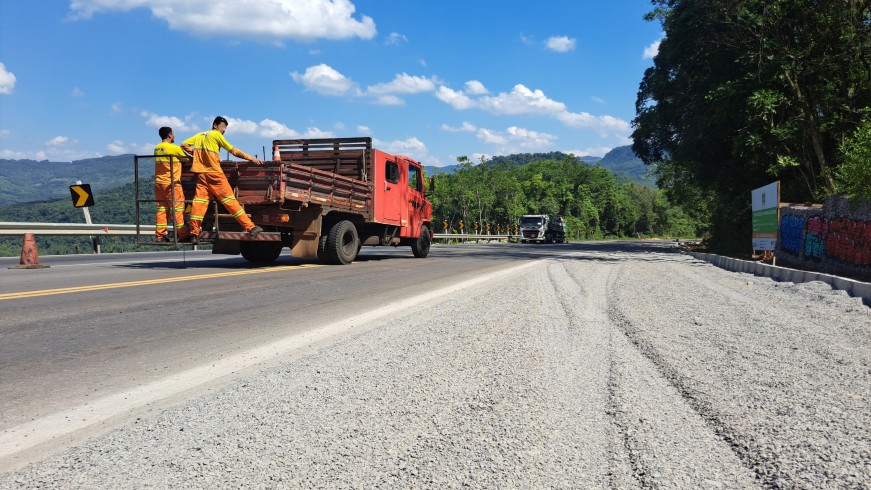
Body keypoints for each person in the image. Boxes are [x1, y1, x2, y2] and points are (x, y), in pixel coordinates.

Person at [181, 116, 264, 244]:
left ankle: (194, 234)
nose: (224, 130)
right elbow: (233, 151)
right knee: (230, 202)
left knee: (199, 205)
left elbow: (183, 145)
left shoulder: (199, 135)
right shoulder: (216, 134)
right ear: (215, 126)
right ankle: (251, 227)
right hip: (215, 174)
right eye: (223, 127)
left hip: (202, 175)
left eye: (225, 128)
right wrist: (250, 158)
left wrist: (196, 155)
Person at [154, 126, 190, 242]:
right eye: (173, 134)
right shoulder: (173, 148)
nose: (174, 136)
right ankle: (182, 235)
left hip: (159, 184)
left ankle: (160, 236)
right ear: (169, 135)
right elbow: (186, 159)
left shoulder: (157, 148)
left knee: (162, 209)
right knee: (177, 209)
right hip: (172, 184)